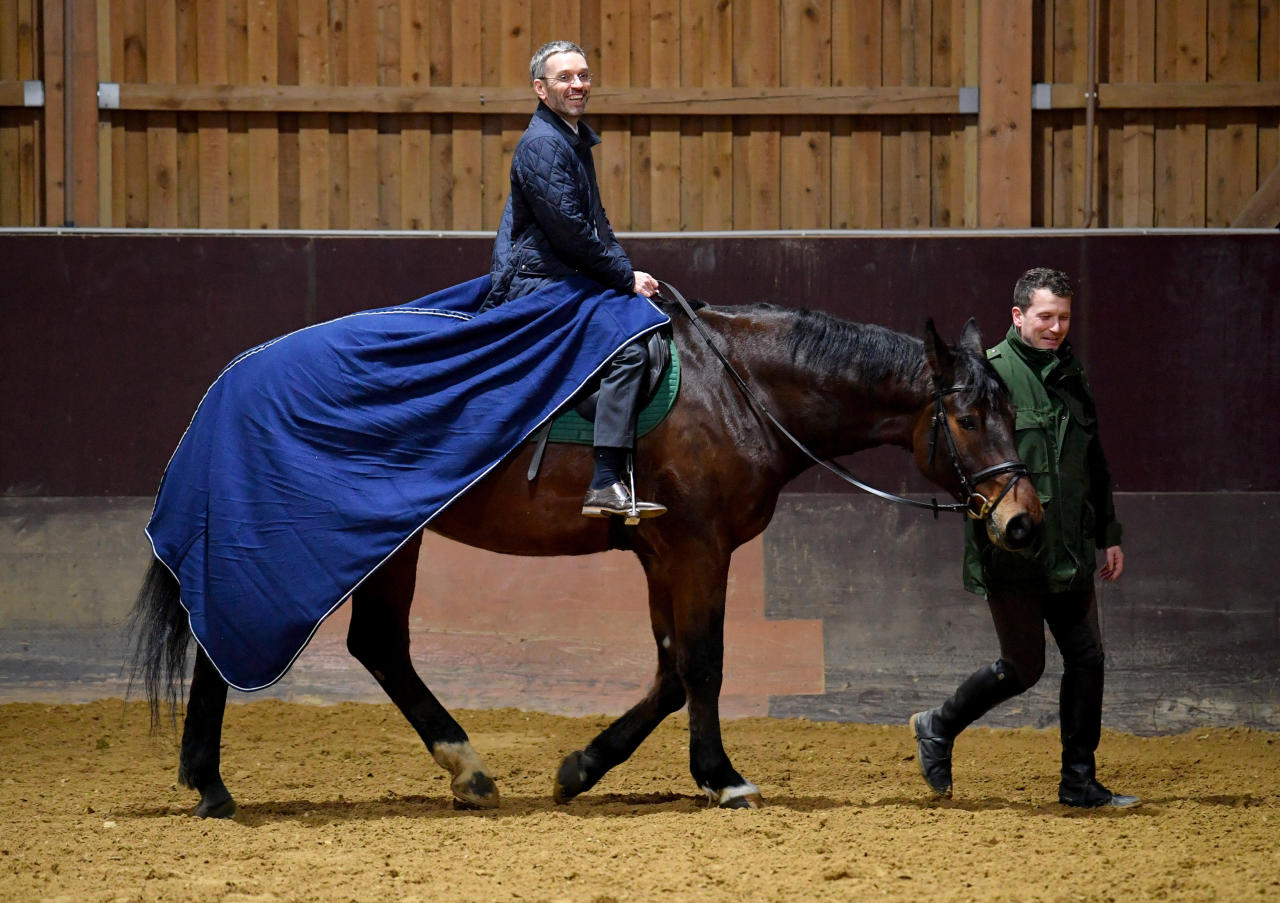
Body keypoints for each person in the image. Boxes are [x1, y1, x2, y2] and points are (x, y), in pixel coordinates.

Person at [910, 267, 1138, 809]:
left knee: (1087, 658)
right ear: (1018, 316)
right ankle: (938, 725)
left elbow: (1094, 464)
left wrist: (1108, 535)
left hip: (1072, 546)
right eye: (1045, 317)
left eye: (1063, 317)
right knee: (1023, 667)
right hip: (1013, 548)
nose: (1056, 327)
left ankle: (1079, 781)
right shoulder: (988, 373)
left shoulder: (1071, 376)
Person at [482, 40, 665, 520]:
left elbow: (598, 224)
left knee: (646, 328)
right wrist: (624, 277)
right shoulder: (543, 145)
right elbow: (570, 233)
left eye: (583, 76)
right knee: (627, 350)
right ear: (541, 90)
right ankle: (605, 482)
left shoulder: (573, 138)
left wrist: (627, 271)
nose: (578, 85)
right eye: (565, 78)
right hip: (538, 284)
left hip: (567, 274)